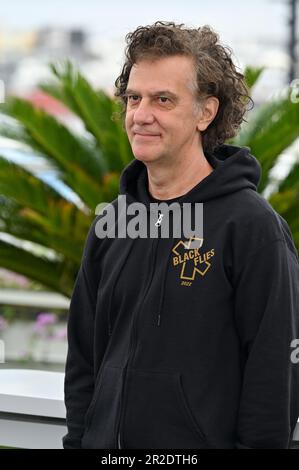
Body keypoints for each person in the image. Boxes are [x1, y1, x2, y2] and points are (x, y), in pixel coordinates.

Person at [62, 21, 299, 449]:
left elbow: (274, 377)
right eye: (134, 98)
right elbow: (83, 360)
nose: (141, 115)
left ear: (206, 112)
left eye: (163, 100)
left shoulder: (251, 228)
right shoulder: (113, 223)